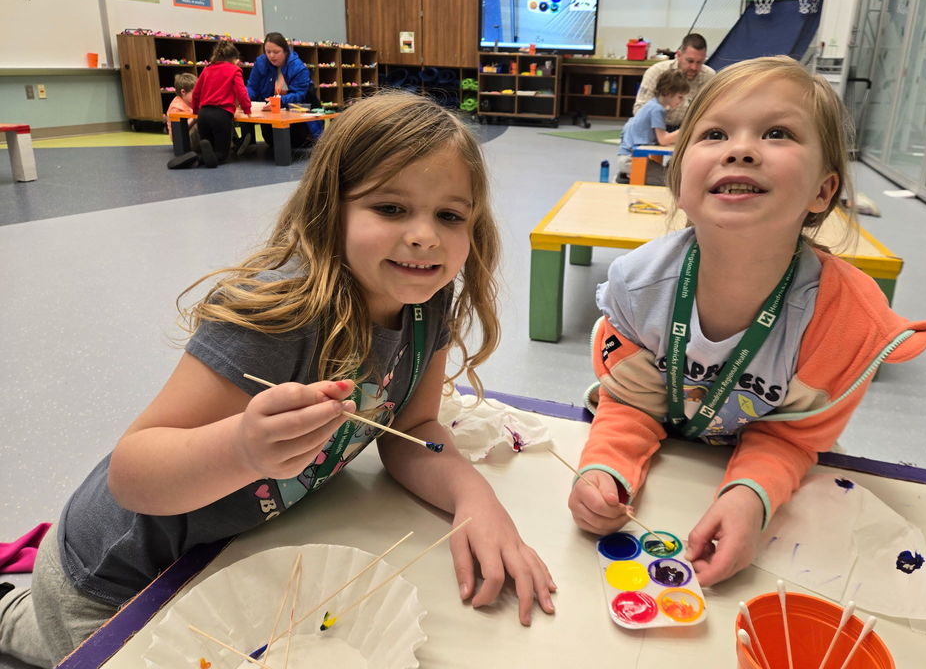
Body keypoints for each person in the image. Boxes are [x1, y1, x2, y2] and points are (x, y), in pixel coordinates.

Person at [0, 91, 556, 667]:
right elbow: (133, 474)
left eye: (450, 215)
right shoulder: (279, 313)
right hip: (114, 585)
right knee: (47, 635)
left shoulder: (426, 304)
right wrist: (242, 448)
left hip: (220, 569)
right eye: (391, 208)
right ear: (330, 208)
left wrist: (473, 497)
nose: (425, 236)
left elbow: (413, 430)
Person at [569, 56, 926, 587]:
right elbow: (629, 404)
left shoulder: (844, 320)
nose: (739, 150)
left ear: (822, 190)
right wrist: (605, 469)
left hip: (771, 478)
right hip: (669, 462)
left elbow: (791, 437)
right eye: (714, 134)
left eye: (777, 133)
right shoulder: (637, 285)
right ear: (679, 179)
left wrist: (751, 497)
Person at [243, 32, 324, 158]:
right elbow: (252, 87)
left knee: (296, 143)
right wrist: (244, 98)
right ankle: (246, 143)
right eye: (268, 52)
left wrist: (279, 101)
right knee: (271, 141)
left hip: (298, 112)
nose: (271, 55)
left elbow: (299, 95)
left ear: (285, 51)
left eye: (276, 52)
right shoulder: (260, 63)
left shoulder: (298, 68)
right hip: (271, 112)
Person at [614, 68, 689, 183]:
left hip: (627, 157)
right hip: (630, 160)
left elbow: (660, 138)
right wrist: (685, 130)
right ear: (668, 92)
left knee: (668, 174)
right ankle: (626, 178)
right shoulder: (657, 110)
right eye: (680, 97)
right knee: (671, 181)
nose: (681, 101)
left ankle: (627, 176)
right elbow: (663, 140)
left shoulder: (652, 104)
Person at [633, 33, 715, 128]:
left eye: (699, 62)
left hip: (688, 128)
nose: (694, 67)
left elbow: (712, 111)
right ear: (679, 55)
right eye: (690, 61)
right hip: (655, 127)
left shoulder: (709, 77)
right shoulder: (656, 72)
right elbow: (639, 110)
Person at [191, 40, 252, 168]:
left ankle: (198, 158)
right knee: (222, 153)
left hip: (203, 114)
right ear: (234, 58)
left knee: (209, 145)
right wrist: (247, 109)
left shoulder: (207, 69)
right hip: (221, 115)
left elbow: (196, 92)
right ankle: (207, 160)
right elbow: (242, 92)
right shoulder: (235, 70)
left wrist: (196, 111)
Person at [164, 72, 203, 169]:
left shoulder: (191, 102)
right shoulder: (176, 107)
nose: (198, 95)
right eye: (195, 93)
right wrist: (196, 117)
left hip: (190, 136)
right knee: (202, 123)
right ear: (183, 92)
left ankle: (233, 142)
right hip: (182, 140)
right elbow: (181, 129)